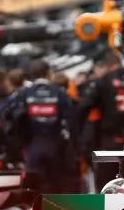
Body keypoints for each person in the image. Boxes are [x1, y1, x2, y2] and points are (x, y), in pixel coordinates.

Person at [7, 60, 78, 194]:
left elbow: (12, 120)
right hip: (55, 146)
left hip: (32, 146)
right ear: (48, 74)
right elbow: (72, 122)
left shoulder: (23, 94)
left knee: (34, 188)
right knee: (55, 187)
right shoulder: (59, 93)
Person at [78, 50, 124, 191]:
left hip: (109, 144)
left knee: (107, 189)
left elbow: (83, 108)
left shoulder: (103, 82)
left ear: (107, 66)